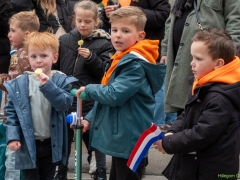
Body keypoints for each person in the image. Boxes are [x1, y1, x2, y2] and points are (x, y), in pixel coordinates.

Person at [75, 6, 166, 180]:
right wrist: (89, 118)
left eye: (125, 31)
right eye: (114, 30)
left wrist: (89, 89)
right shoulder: (120, 57)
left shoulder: (134, 64)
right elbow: (108, 95)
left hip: (132, 139)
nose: (117, 35)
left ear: (140, 36)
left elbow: (113, 95)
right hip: (123, 137)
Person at [155, 28, 240, 180]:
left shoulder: (219, 98)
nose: (191, 63)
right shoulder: (204, 84)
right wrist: (173, 131)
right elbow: (187, 114)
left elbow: (201, 134)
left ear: (218, 64)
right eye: (192, 57)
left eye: (198, 59)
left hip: (213, 171)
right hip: (196, 164)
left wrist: (169, 143)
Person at [52, 0, 114, 179]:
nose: (83, 24)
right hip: (66, 97)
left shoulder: (104, 43)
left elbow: (105, 71)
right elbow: (56, 65)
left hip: (89, 98)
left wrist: (92, 58)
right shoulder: (64, 40)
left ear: (96, 21)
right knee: (65, 138)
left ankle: (99, 169)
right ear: (74, 20)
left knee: (93, 137)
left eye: (87, 21)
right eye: (79, 20)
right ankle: (61, 169)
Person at [3, 31, 78, 180]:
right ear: (28, 59)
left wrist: (48, 86)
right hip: (27, 143)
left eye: (44, 56)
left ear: (55, 58)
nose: (39, 61)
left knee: (48, 176)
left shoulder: (61, 80)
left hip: (52, 143)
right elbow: (11, 113)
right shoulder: (20, 83)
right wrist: (12, 137)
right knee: (30, 177)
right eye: (34, 56)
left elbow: (64, 103)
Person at [161, 0, 240, 115]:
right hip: (181, 56)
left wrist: (228, 53)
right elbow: (170, 19)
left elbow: (235, 20)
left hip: (211, 57)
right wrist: (165, 49)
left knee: (206, 105)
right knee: (184, 107)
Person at [0, 11, 40, 180]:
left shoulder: (23, 56)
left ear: (27, 34)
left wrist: (4, 83)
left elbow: (19, 87)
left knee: (14, 160)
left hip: (18, 115)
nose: (9, 34)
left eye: (13, 30)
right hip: (16, 114)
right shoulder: (19, 54)